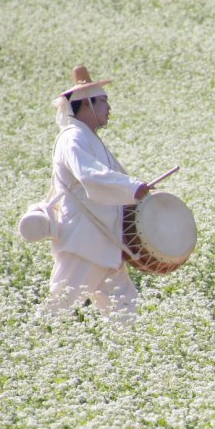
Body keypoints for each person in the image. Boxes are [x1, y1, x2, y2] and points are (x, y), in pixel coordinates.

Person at [43, 65, 149, 317]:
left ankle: (131, 352)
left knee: (127, 314)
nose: (109, 108)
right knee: (58, 309)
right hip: (84, 240)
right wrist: (133, 188)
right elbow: (89, 175)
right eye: (103, 102)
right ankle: (30, 346)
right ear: (87, 105)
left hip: (104, 240)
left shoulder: (87, 137)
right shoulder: (73, 138)